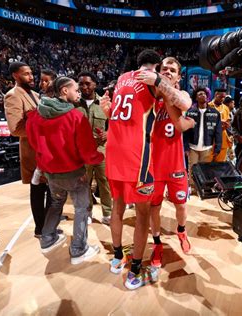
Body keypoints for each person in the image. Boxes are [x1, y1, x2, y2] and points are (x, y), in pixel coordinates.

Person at [100, 49, 162, 290]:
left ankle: (117, 257)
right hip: (138, 160)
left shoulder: (122, 78)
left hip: (113, 153)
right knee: (142, 215)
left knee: (117, 207)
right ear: (154, 66)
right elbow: (177, 99)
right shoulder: (151, 79)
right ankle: (135, 268)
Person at [26, 77, 103, 264]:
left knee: (56, 203)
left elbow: (34, 142)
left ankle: (47, 238)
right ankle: (78, 249)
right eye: (75, 89)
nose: (79, 92)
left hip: (51, 172)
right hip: (73, 172)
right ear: (64, 91)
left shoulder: (36, 115)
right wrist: (97, 157)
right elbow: (85, 148)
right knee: (81, 209)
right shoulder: (76, 116)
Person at [147, 57, 194, 267]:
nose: (167, 71)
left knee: (181, 205)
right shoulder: (148, 96)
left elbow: (184, 103)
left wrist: (163, 86)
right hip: (152, 166)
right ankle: (157, 243)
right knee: (153, 208)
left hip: (176, 165)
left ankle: (182, 232)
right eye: (163, 68)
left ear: (179, 76)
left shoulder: (181, 95)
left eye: (172, 69)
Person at [4, 62, 51, 238]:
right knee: (38, 191)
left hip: (46, 150)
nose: (31, 77)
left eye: (31, 73)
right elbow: (15, 129)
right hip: (32, 151)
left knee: (50, 190)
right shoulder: (12, 96)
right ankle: (40, 228)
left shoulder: (36, 95)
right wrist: (41, 128)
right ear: (15, 75)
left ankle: (48, 225)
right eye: (26, 74)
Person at [78, 71, 112, 225]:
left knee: (104, 182)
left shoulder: (105, 103)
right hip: (82, 152)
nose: (84, 87)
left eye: (87, 83)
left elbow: (116, 124)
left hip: (101, 150)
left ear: (95, 85)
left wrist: (109, 134)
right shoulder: (74, 105)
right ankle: (88, 212)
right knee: (84, 184)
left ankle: (108, 213)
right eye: (81, 84)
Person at [184, 87, 222, 191]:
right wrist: (185, 147)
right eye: (200, 94)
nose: (203, 95)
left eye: (204, 94)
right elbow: (185, 132)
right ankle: (192, 187)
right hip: (193, 147)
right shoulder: (190, 112)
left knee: (205, 169)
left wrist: (218, 147)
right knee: (192, 168)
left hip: (207, 147)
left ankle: (202, 187)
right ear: (196, 98)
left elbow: (218, 132)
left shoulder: (215, 113)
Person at [208, 88, 232, 162]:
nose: (222, 99)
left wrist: (227, 125)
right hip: (210, 140)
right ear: (215, 95)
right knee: (207, 165)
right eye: (220, 97)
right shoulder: (208, 106)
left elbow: (228, 122)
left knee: (220, 166)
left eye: (224, 97)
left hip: (223, 140)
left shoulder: (226, 108)